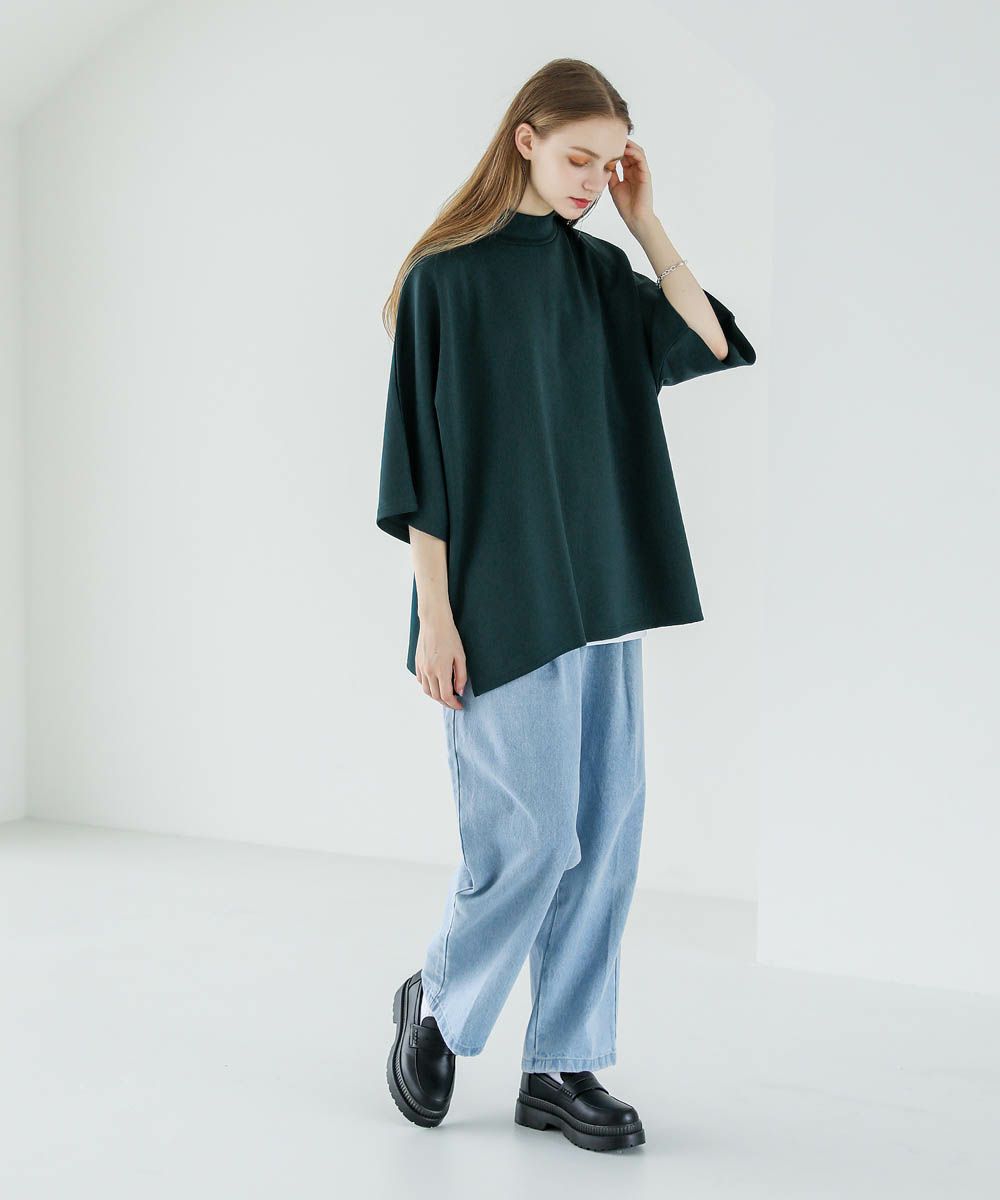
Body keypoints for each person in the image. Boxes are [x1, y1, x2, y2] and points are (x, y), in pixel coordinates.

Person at [379, 58, 756, 1153]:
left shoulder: (600, 272)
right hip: (497, 600)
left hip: (602, 594)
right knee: (534, 837)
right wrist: (436, 617)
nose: (592, 179)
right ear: (526, 141)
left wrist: (648, 227)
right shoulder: (446, 279)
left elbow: (708, 340)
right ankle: (439, 1001)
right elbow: (419, 460)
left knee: (603, 838)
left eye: (609, 163)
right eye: (577, 157)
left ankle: (563, 1062)